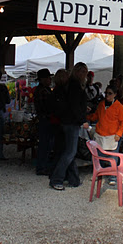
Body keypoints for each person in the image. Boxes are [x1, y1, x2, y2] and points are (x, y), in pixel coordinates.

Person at [49, 62, 89, 191]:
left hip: (67, 121)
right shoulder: (75, 86)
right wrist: (82, 119)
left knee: (69, 152)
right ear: (77, 72)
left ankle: (74, 179)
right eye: (83, 72)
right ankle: (57, 179)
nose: (85, 75)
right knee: (70, 152)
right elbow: (74, 106)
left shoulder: (70, 85)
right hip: (71, 122)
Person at [88, 83, 123, 150]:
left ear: (115, 94)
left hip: (112, 137)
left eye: (110, 93)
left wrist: (119, 134)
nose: (107, 95)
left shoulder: (119, 107)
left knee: (111, 155)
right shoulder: (101, 104)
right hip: (99, 136)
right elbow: (96, 116)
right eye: (106, 93)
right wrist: (85, 117)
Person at [33, 68, 55, 176]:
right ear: (42, 79)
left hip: (44, 118)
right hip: (45, 119)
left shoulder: (42, 90)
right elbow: (48, 106)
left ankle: (42, 166)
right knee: (45, 144)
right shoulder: (43, 91)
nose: (50, 80)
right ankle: (42, 167)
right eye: (48, 78)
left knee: (45, 144)